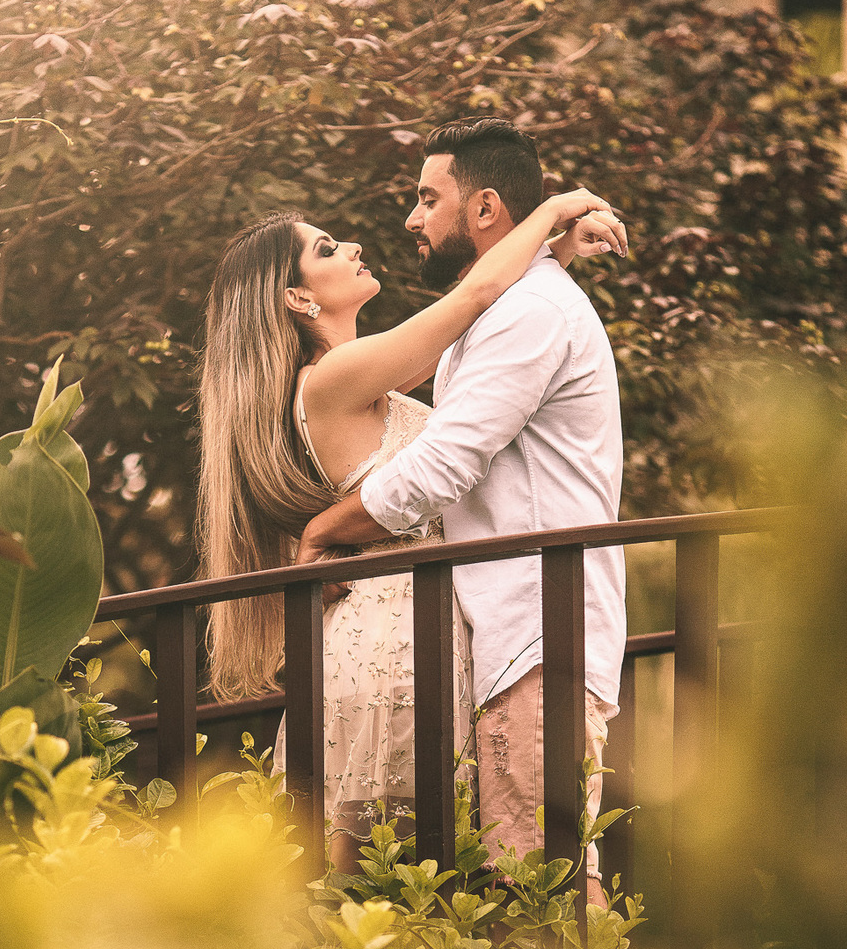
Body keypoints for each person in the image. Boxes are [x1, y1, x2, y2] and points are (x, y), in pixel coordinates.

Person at [197, 168, 626, 876]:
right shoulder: (336, 378)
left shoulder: (358, 379)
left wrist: (557, 256)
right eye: (329, 248)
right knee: (389, 876)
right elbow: (478, 296)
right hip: (397, 640)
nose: (355, 247)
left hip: (405, 628)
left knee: (398, 880)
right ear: (298, 297)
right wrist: (551, 209)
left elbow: (487, 343)